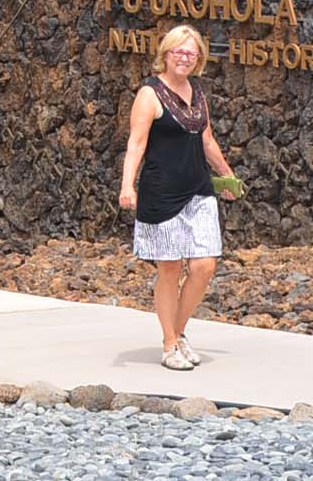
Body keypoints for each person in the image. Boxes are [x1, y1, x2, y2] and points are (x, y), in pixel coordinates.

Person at [119, 24, 239, 371]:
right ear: (166, 54)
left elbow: (207, 141)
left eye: (191, 53)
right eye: (179, 52)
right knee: (170, 269)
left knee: (204, 265)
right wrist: (128, 185)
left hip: (199, 189)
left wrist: (227, 176)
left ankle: (179, 331)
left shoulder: (197, 92)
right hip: (162, 192)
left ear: (198, 58)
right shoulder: (150, 94)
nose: (185, 58)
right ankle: (169, 343)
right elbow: (136, 143)